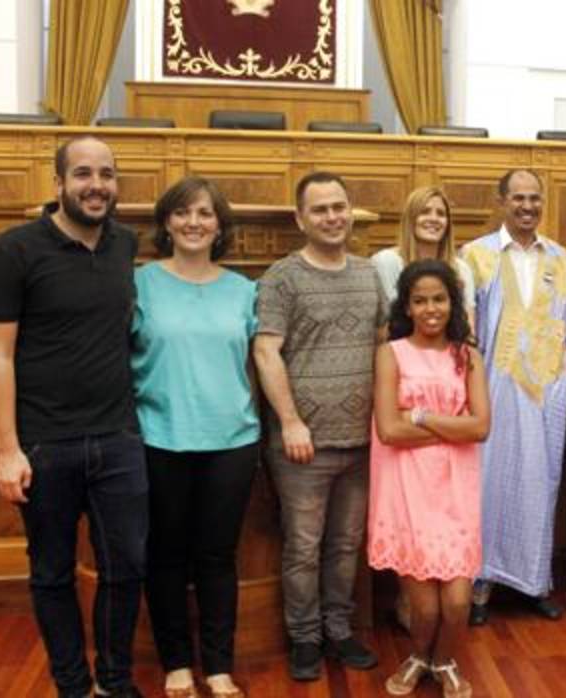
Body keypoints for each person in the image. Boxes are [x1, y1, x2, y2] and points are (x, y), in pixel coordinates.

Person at [0, 135, 147, 697]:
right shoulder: (14, 250)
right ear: (57, 184)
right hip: (44, 445)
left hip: (119, 439)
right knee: (51, 574)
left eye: (106, 174)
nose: (95, 185)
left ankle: (115, 681)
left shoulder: (125, 245)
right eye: (82, 174)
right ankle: (73, 686)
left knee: (126, 569)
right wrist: (8, 449)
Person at [253, 171, 387, 680]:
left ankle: (339, 628)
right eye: (320, 209)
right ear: (300, 219)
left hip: (362, 441)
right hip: (302, 445)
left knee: (346, 544)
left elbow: (381, 348)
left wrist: (384, 417)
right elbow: (266, 351)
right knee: (303, 547)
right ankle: (305, 637)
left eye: (339, 207)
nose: (332, 217)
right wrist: (290, 422)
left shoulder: (369, 272)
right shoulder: (281, 278)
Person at [131, 176, 259, 698]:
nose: (194, 223)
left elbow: (260, 363)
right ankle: (177, 662)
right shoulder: (139, 284)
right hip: (158, 436)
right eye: (183, 213)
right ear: (167, 222)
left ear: (219, 226)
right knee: (165, 555)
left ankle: (220, 665)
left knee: (216, 557)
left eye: (205, 214)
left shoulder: (244, 289)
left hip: (232, 439)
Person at [460, 168, 566, 625]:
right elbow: (467, 331)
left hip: (548, 390)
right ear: (501, 200)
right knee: (488, 482)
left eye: (535, 199)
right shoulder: (475, 256)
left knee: (541, 481)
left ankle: (535, 581)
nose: (528, 206)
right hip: (495, 387)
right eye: (519, 198)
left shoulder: (561, 258)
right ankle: (480, 584)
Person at [370, 260, 490, 698]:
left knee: (457, 602)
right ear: (406, 306)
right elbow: (388, 430)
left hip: (457, 488)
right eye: (419, 300)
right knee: (422, 604)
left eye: (438, 298)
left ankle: (444, 659)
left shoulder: (468, 355)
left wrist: (419, 415)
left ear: (452, 302)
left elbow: (480, 427)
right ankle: (421, 656)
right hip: (407, 489)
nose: (430, 309)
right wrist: (448, 427)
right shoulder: (391, 353)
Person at [371, 185, 476, 324]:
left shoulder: (460, 268)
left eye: (440, 214)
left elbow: (468, 325)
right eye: (425, 212)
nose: (434, 219)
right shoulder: (386, 262)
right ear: (410, 219)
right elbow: (384, 322)